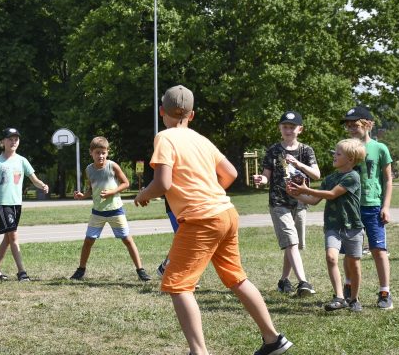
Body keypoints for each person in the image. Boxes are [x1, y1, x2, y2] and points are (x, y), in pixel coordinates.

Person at [134, 85, 292, 355]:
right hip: (225, 213)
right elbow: (230, 174)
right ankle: (272, 339)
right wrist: (208, 192)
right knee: (237, 278)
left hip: (201, 219)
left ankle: (199, 352)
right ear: (192, 115)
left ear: (161, 111)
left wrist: (143, 194)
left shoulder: (164, 137)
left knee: (179, 285)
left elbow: (163, 183)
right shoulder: (202, 140)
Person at [287, 138, 366, 313]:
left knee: (354, 264)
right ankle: (339, 297)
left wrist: (305, 189)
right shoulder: (330, 178)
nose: (334, 156)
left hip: (353, 227)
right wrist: (296, 194)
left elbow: (331, 194)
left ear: (350, 159)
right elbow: (314, 200)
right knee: (331, 257)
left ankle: (354, 299)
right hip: (333, 226)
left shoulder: (352, 176)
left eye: (338, 154)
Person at [252, 111, 320, 296]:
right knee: (291, 242)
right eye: (285, 127)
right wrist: (261, 180)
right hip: (278, 202)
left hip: (301, 202)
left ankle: (283, 281)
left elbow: (316, 175)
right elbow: (266, 176)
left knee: (294, 244)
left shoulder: (306, 150)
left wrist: (298, 164)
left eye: (292, 127)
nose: (288, 130)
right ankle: (303, 282)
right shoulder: (273, 150)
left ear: (300, 129)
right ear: (280, 128)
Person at [70, 136, 151, 281]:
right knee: (88, 241)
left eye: (103, 152)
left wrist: (112, 192)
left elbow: (126, 183)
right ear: (91, 153)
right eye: (97, 152)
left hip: (115, 210)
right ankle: (81, 270)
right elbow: (91, 188)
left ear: (107, 152)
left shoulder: (112, 166)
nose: (100, 155)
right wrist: (83, 195)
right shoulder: (89, 169)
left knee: (127, 239)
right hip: (97, 212)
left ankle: (141, 270)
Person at [341, 106, 395, 309]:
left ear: (368, 124)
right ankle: (348, 286)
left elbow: (388, 179)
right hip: (350, 207)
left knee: (378, 250)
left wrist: (386, 206)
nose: (351, 129)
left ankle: (385, 292)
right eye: (348, 126)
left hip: (373, 207)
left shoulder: (380, 149)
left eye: (355, 125)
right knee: (350, 252)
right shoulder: (346, 147)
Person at [0, 128, 49, 282]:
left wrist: (43, 185)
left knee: (7, 238)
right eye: (10, 139)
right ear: (2, 142)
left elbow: (34, 179)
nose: (13, 142)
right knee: (14, 236)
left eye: (16, 139)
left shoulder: (22, 161)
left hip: (17, 204)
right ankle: (22, 272)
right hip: (4, 204)